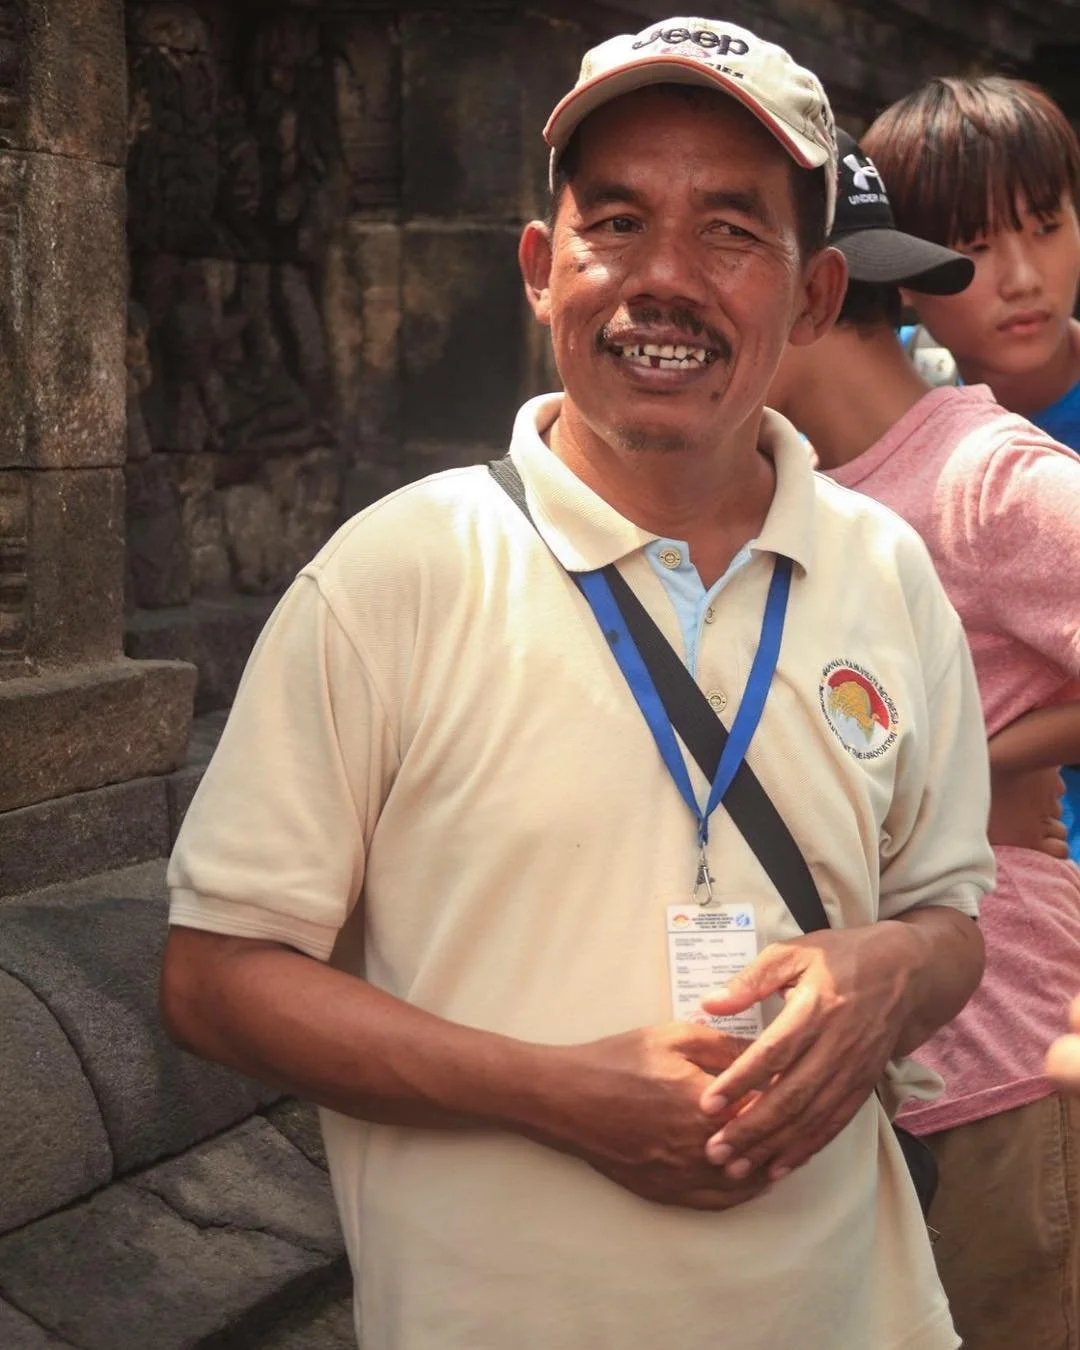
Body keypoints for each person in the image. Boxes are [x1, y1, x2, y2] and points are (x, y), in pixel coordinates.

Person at [159, 20, 992, 1350]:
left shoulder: (886, 571)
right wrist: (556, 1090)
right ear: (545, 273)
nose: (664, 279)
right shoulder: (397, 572)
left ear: (817, 298)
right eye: (616, 223)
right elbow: (213, 974)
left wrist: (892, 967)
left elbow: (952, 915)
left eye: (730, 231)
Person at [768, 130, 1080, 1350]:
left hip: (1012, 1061)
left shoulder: (983, 476)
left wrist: (977, 757)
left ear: (819, 296)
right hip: (879, 1079)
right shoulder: (801, 491)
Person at [861, 76, 1080, 862]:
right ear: (905, 281)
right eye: (977, 247)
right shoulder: (902, 448)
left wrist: (980, 763)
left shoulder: (999, 477)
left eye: (1048, 226)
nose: (1023, 276)